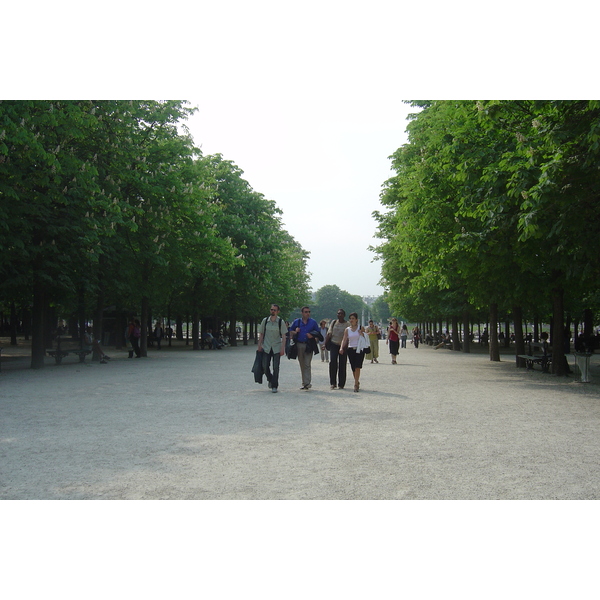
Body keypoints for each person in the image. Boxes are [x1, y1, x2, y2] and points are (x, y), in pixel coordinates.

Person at [289, 306, 322, 390]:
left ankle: (307, 383)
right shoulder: (297, 322)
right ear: (302, 313)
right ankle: (304, 382)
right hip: (299, 345)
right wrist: (295, 331)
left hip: (309, 345)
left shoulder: (313, 322)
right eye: (306, 312)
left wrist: (312, 335)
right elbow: (290, 330)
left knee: (307, 364)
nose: (308, 313)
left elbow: (318, 333)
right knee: (302, 364)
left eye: (309, 312)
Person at [257, 304, 287, 393]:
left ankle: (274, 385)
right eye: (271, 309)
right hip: (266, 347)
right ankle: (270, 379)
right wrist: (259, 344)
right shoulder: (265, 321)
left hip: (276, 347)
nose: (272, 311)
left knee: (276, 367)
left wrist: (283, 348)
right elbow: (261, 333)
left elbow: (284, 336)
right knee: (265, 366)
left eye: (274, 310)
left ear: (278, 311)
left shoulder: (281, 322)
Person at [339, 312, 366, 392]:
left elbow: (366, 337)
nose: (351, 320)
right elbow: (344, 339)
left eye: (353, 318)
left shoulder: (361, 328)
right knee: (353, 367)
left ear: (356, 320)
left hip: (359, 349)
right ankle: (357, 381)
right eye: (350, 318)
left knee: (358, 366)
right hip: (350, 349)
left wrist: (362, 334)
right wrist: (341, 348)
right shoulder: (347, 330)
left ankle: (355, 384)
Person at [326, 309, 348, 389]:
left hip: (343, 345)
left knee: (342, 364)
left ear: (344, 315)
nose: (340, 315)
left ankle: (341, 383)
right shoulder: (334, 322)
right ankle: (333, 383)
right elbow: (329, 333)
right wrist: (325, 344)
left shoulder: (347, 324)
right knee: (333, 363)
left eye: (341, 314)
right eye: (338, 313)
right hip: (334, 344)